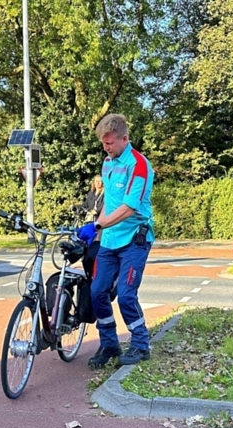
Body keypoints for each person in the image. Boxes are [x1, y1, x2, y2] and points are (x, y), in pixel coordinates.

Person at [79, 113, 155, 368]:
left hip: (135, 239)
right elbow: (110, 205)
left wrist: (98, 225)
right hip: (110, 240)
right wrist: (96, 226)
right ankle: (109, 344)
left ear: (125, 138)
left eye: (110, 143)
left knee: (125, 295)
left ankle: (141, 345)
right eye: (103, 143)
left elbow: (128, 208)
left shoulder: (139, 165)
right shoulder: (107, 164)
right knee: (98, 292)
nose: (106, 147)